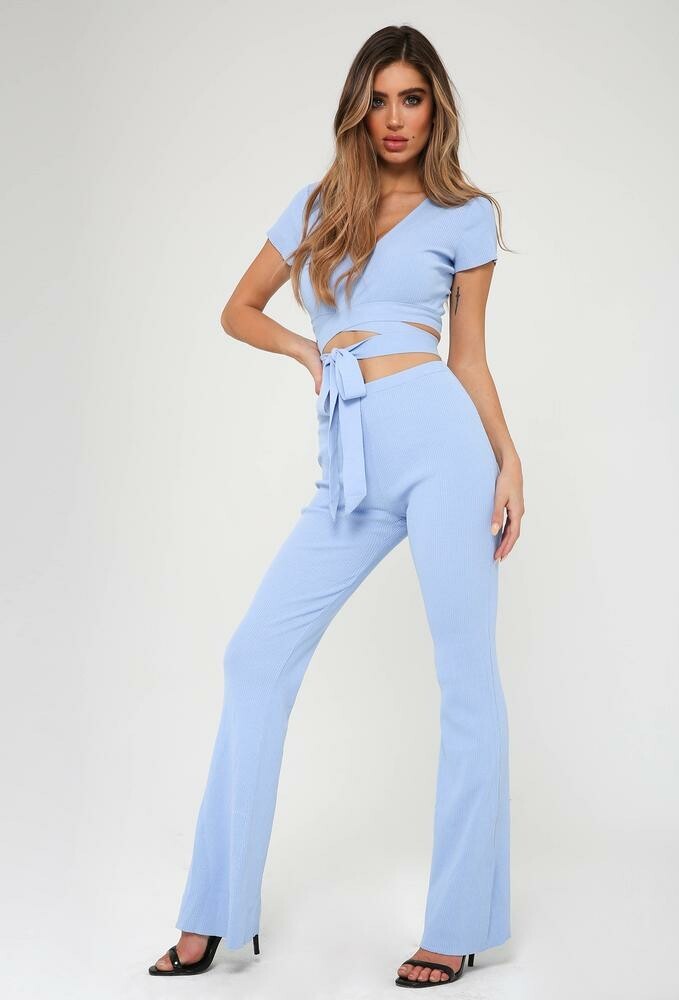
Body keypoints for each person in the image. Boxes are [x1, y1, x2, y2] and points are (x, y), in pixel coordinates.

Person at [148, 23, 524, 989]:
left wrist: (507, 461)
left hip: (443, 449)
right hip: (348, 463)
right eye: (380, 100)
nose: (395, 118)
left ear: (436, 109)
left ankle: (458, 925)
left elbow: (469, 357)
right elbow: (239, 308)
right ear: (358, 109)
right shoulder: (319, 207)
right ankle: (213, 913)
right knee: (255, 655)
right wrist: (306, 350)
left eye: (413, 99)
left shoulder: (465, 216)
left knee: (465, 678)